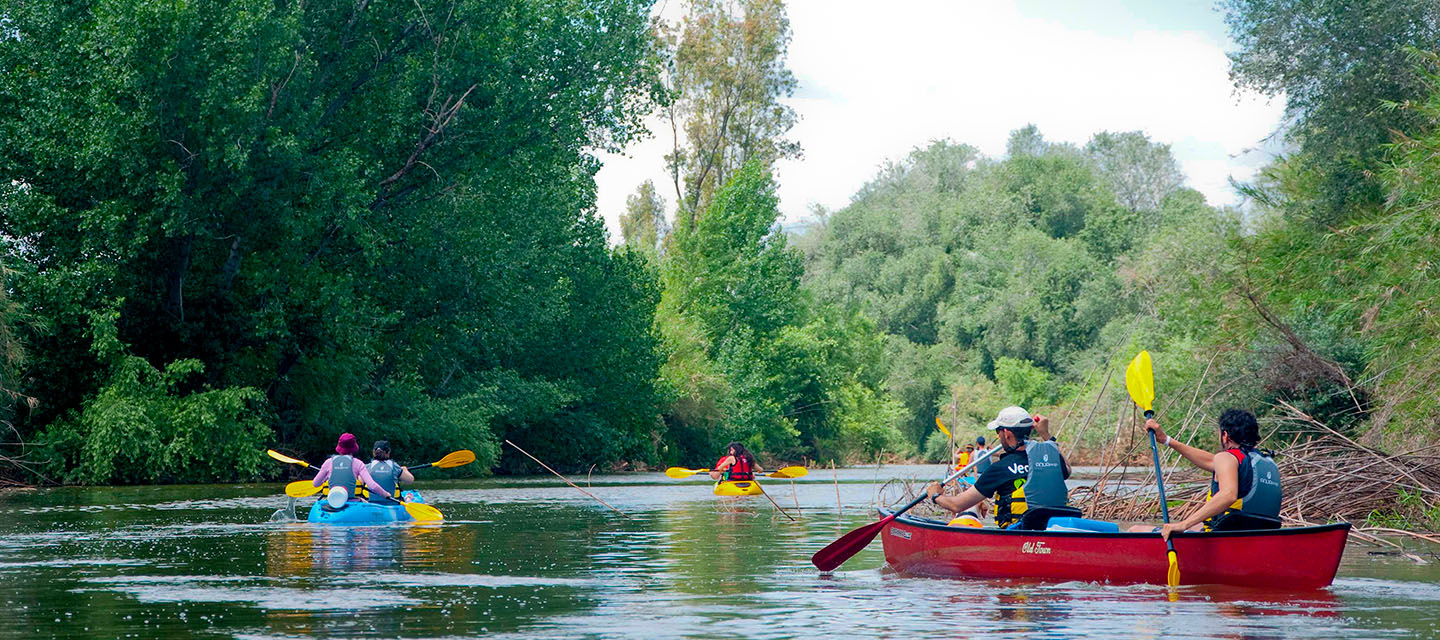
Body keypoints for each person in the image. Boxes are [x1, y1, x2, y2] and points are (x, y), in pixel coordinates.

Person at [1128, 409, 1282, 538]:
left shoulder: (1228, 457)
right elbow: (1210, 461)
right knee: (1198, 525)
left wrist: (1183, 524)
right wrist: (1167, 440)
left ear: (1226, 435)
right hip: (1258, 534)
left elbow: (1228, 494)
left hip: (1226, 535)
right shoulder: (1263, 461)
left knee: (1136, 530)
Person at [924, 407, 1075, 529]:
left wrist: (935, 496)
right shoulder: (1051, 460)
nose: (999, 436)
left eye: (998, 432)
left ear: (1007, 433)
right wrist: (1045, 434)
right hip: (1055, 530)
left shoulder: (1000, 468)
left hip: (1020, 534)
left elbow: (956, 505)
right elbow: (1067, 468)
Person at [313, 433, 393, 506]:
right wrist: (385, 494)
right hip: (351, 502)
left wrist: (326, 477)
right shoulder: (358, 463)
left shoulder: (328, 462)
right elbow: (372, 486)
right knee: (364, 501)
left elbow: (316, 483)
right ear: (354, 447)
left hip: (332, 501)